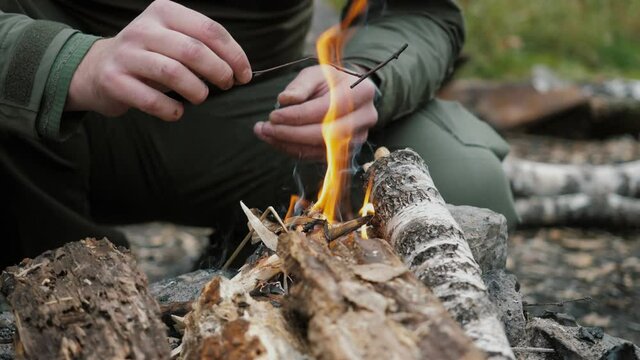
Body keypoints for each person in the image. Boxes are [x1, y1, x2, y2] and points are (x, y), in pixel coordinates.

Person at [0, 0, 518, 268]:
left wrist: (361, 74)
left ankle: (246, 251)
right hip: (43, 116)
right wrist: (73, 62)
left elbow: (416, 13)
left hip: (259, 117)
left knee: (458, 182)